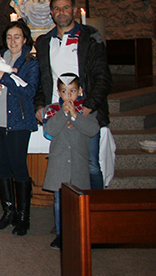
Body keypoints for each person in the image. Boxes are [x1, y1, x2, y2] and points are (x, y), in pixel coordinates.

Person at [34, 0, 112, 191]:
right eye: (57, 9)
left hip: (84, 109)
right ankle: (66, 218)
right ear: (52, 13)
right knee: (60, 166)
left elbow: (102, 77)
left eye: (66, 8)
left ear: (74, 10)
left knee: (90, 164)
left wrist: (88, 107)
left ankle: (94, 216)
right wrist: (40, 105)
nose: (62, 12)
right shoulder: (44, 42)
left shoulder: (90, 37)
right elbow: (42, 80)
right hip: (57, 112)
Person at [0, 21, 39, 235]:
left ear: (25, 39)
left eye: (17, 37)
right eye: (10, 37)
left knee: (18, 167)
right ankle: (8, 212)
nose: (13, 41)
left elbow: (29, 92)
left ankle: (23, 217)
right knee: (1, 166)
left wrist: (3, 75)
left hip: (18, 122)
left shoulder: (30, 62)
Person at [42, 74, 98, 249]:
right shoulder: (53, 110)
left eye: (73, 91)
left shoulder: (86, 111)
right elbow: (49, 130)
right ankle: (61, 233)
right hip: (59, 162)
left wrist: (74, 116)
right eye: (65, 92)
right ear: (59, 93)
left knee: (79, 201)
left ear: (80, 91)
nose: (69, 96)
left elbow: (92, 130)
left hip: (78, 162)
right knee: (60, 200)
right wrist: (63, 114)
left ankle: (81, 231)